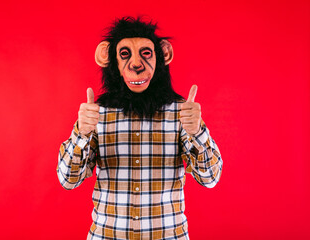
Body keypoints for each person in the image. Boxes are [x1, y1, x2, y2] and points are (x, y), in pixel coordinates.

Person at [57, 17, 223, 240]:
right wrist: (81, 134)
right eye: (125, 54)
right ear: (111, 60)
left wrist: (197, 133)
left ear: (163, 55)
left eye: (146, 53)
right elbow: (68, 179)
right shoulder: (96, 113)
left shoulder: (181, 112)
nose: (136, 65)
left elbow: (210, 179)